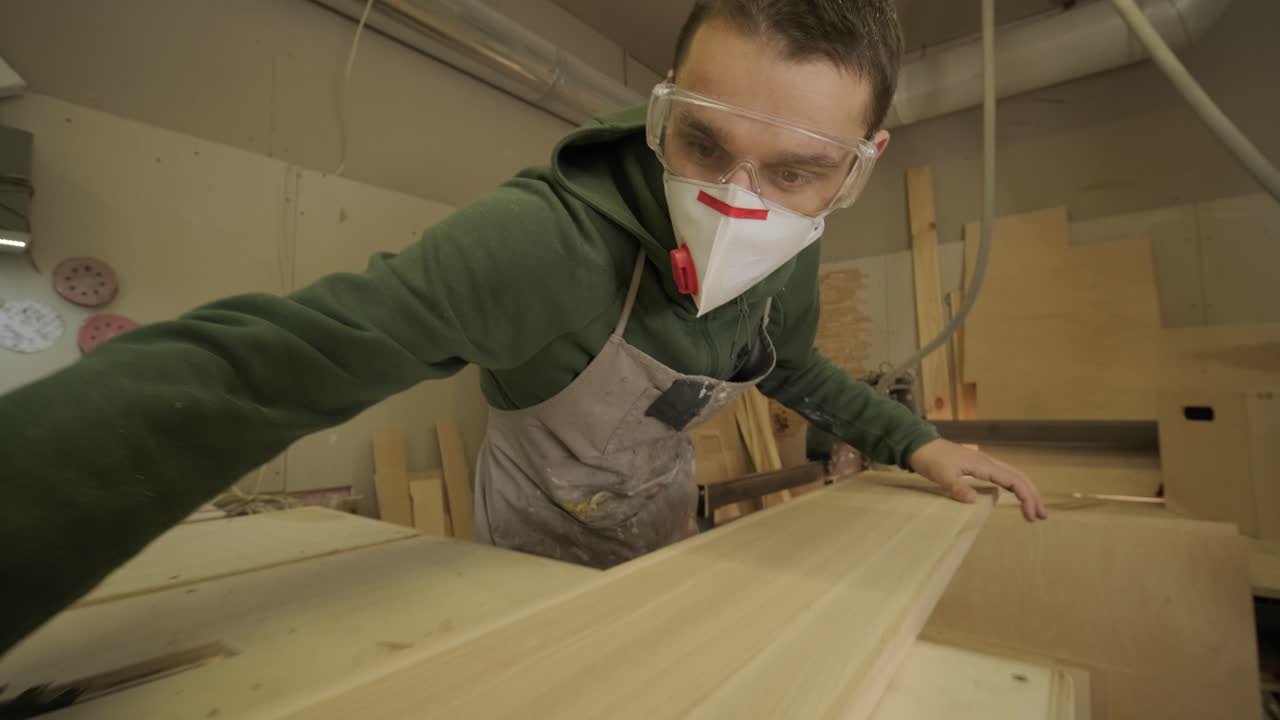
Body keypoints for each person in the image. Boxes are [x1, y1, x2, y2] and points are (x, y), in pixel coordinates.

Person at [0, 0, 1046, 654]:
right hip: (532, 532)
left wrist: (918, 441)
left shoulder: (793, 250)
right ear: (658, 109)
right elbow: (262, 368)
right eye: (700, 144)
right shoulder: (545, 241)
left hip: (660, 511)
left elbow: (795, 367)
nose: (740, 199)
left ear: (861, 164)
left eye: (793, 172)